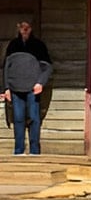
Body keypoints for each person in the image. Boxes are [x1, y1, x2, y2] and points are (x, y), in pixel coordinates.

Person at [3, 21, 53, 156]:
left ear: (31, 29)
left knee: (33, 118)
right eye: (22, 28)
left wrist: (40, 83)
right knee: (18, 118)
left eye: (27, 28)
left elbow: (47, 67)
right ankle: (19, 150)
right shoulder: (13, 45)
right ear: (18, 29)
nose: (24, 30)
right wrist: (6, 88)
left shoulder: (38, 46)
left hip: (32, 89)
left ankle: (34, 151)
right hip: (15, 88)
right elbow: (6, 67)